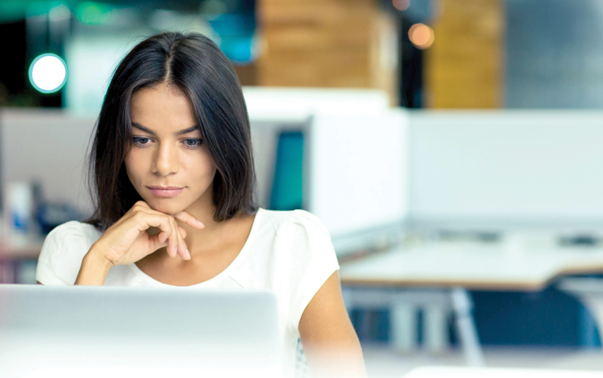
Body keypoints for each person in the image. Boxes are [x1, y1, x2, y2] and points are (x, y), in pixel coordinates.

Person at [35, 32, 366, 378]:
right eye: (142, 139)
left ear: (224, 141)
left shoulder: (291, 243)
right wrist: (100, 262)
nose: (163, 165)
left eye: (190, 141)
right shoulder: (73, 250)